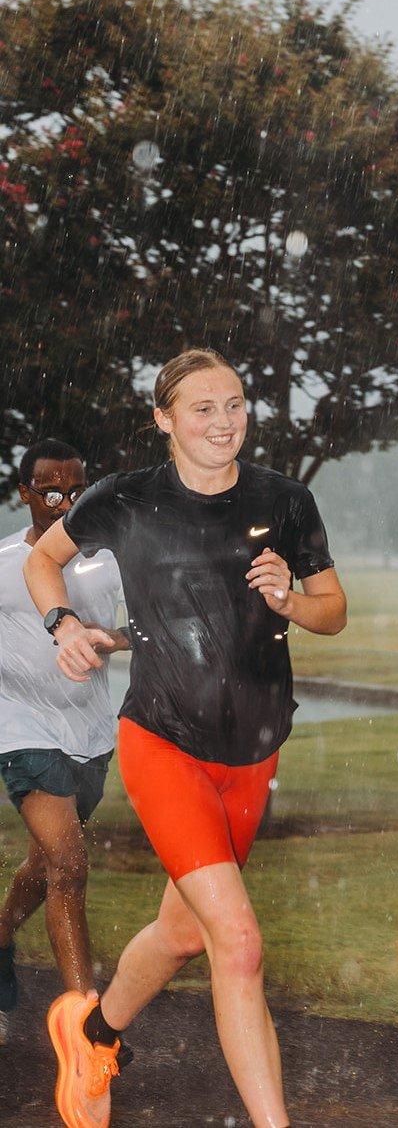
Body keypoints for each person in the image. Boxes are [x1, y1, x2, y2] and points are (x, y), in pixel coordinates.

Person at [24, 349, 346, 1128]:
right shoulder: (126, 500)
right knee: (238, 941)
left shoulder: (286, 500)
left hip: (254, 751)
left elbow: (331, 606)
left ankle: (93, 1034)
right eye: (202, 409)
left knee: (181, 935)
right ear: (164, 419)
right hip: (162, 740)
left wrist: (291, 602)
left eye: (234, 404)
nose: (223, 422)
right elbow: (44, 559)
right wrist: (62, 622)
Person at [0, 439, 128, 1039]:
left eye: (76, 491)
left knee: (50, 860)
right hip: (22, 731)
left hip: (92, 735)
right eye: (51, 491)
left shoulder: (107, 562)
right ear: (24, 491)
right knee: (70, 867)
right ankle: (86, 1028)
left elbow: (145, 629)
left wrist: (112, 638)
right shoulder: (5, 564)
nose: (64, 503)